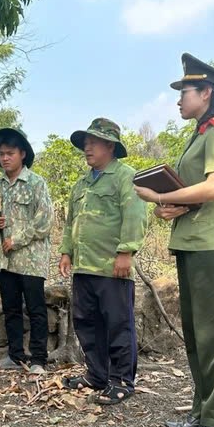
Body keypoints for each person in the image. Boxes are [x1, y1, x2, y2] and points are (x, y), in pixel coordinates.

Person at [134, 53, 214, 427]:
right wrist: (176, 206)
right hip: (194, 244)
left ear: (206, 92)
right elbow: (196, 194)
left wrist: (158, 199)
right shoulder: (199, 134)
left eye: (185, 92)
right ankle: (204, 413)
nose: (179, 99)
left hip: (213, 246)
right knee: (197, 337)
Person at [59, 118, 147, 405]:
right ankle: (97, 375)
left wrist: (126, 252)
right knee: (86, 322)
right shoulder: (81, 184)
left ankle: (122, 380)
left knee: (118, 324)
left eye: (93, 142)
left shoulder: (125, 176)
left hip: (112, 267)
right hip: (84, 267)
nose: (87, 148)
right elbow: (71, 222)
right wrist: (66, 252)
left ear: (110, 146)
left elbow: (135, 216)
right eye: (86, 143)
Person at [0, 128, 54, 375]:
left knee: (36, 309)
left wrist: (16, 239)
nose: (5, 158)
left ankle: (39, 360)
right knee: (11, 309)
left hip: (31, 260)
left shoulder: (36, 183)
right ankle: (15, 356)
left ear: (22, 154)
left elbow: (44, 221)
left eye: (10, 153)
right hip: (5, 261)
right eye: (1, 154)